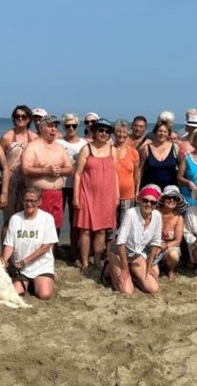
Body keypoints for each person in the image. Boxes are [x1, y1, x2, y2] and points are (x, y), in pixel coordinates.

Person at [73, 118, 119, 272]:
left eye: (107, 131)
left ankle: (98, 261)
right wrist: (75, 197)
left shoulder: (113, 150)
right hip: (87, 194)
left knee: (101, 230)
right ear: (95, 132)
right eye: (100, 130)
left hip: (107, 196)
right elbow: (78, 174)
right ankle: (85, 262)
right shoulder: (86, 149)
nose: (103, 133)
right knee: (85, 230)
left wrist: (117, 195)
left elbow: (115, 175)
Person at [2, 187, 59, 300]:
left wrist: (24, 262)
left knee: (44, 295)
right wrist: (3, 261)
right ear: (22, 201)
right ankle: (27, 283)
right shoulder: (15, 218)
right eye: (26, 200)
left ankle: (42, 280)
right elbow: (10, 245)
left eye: (33, 201)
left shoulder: (47, 218)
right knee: (15, 293)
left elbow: (45, 248)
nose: (29, 204)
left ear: (39, 202)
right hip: (20, 267)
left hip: (41, 266)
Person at [21, 115, 74, 233]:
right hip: (38, 194)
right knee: (37, 228)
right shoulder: (32, 147)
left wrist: (59, 170)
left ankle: (53, 251)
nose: (54, 129)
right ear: (41, 128)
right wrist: (46, 171)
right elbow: (25, 169)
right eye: (50, 126)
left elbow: (70, 170)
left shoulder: (59, 148)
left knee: (55, 228)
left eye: (55, 126)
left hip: (57, 195)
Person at [106, 185, 162, 294]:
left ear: (156, 205)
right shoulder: (131, 213)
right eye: (145, 200)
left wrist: (149, 266)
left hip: (137, 253)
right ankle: (109, 269)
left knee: (153, 288)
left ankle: (130, 273)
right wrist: (124, 268)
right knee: (127, 291)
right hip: (119, 252)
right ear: (139, 200)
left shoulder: (157, 216)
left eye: (153, 202)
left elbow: (156, 243)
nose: (148, 204)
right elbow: (120, 242)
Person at [0, 105, 39, 245]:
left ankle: (23, 250)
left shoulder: (34, 137)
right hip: (10, 183)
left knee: (27, 218)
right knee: (9, 219)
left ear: (29, 119)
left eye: (23, 116)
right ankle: (5, 253)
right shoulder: (7, 137)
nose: (20, 119)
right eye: (17, 116)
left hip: (28, 183)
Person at [56, 113, 88, 259]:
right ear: (63, 126)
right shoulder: (58, 143)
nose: (70, 128)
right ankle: (53, 250)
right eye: (67, 126)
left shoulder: (83, 144)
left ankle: (74, 251)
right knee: (56, 219)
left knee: (75, 221)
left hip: (77, 186)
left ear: (77, 126)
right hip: (59, 185)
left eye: (73, 125)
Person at [113, 119, 140, 224]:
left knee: (125, 224)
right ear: (114, 132)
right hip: (111, 194)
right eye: (119, 131)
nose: (121, 134)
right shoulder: (109, 150)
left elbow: (136, 174)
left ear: (128, 133)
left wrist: (136, 191)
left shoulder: (134, 152)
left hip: (128, 195)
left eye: (124, 132)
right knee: (110, 226)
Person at [139, 121, 179, 190]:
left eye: (165, 131)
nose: (162, 134)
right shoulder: (146, 148)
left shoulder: (175, 147)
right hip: (150, 190)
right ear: (155, 132)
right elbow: (140, 170)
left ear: (168, 133)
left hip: (170, 191)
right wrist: (137, 189)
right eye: (160, 131)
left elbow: (182, 165)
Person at [156, 185, 185, 279]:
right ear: (163, 198)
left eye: (175, 198)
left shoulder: (179, 217)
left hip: (169, 246)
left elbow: (177, 241)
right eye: (169, 197)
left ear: (178, 201)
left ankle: (170, 269)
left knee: (173, 255)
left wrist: (164, 246)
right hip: (153, 245)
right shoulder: (155, 212)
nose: (172, 199)